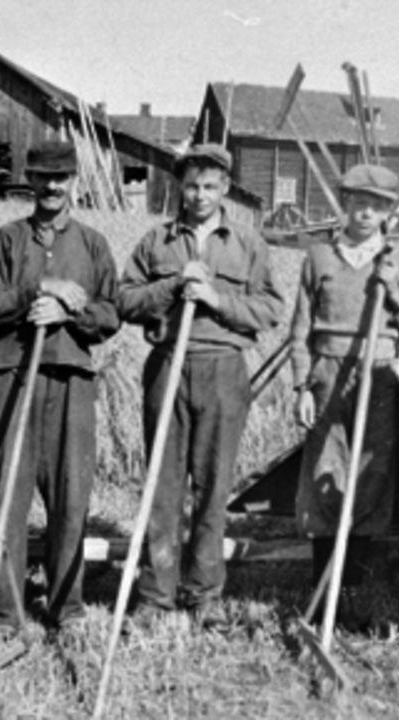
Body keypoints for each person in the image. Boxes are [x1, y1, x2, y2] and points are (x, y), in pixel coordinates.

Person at [119, 143, 284, 630]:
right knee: (163, 486)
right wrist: (172, 287)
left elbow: (270, 309)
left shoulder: (248, 243)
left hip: (223, 369)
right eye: (191, 185)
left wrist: (215, 297)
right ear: (180, 186)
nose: (199, 195)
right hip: (169, 364)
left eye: (210, 186)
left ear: (225, 188)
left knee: (213, 486)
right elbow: (125, 301)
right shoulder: (157, 241)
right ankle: (155, 594)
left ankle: (204, 592)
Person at [0, 140, 120, 634]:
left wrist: (70, 310)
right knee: (7, 497)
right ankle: (5, 611)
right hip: (11, 379)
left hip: (70, 382)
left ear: (73, 180)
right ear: (29, 180)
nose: (52, 186)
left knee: (70, 496)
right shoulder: (6, 240)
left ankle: (66, 607)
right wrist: (38, 291)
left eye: (61, 177)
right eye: (42, 177)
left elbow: (110, 314)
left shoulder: (93, 244)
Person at [289, 164, 399, 622]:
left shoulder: (398, 260)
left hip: (380, 373)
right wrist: (301, 385)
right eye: (358, 202)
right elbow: (301, 330)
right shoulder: (320, 257)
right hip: (329, 371)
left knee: (370, 476)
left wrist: (396, 296)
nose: (366, 212)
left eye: (378, 205)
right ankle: (321, 590)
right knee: (325, 472)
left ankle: (356, 592)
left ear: (389, 210)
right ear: (344, 203)